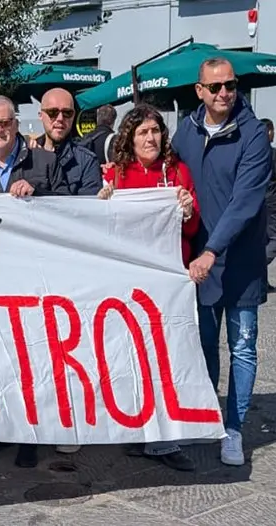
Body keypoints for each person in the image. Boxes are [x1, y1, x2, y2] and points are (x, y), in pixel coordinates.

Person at [173, 57, 272, 467]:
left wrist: (212, 250)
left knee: (244, 348)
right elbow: (166, 176)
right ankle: (210, 417)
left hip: (239, 262)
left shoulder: (253, 135)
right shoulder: (186, 132)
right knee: (205, 346)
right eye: (214, 87)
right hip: (202, 264)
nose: (224, 93)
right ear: (199, 91)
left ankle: (233, 430)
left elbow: (245, 201)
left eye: (230, 85)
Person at [0, 95, 66, 468]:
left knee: (31, 358)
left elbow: (67, 212)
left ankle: (30, 435)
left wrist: (39, 195)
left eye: (5, 122)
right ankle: (0, 429)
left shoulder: (45, 163)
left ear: (16, 123)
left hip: (32, 278)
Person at [97, 104, 199, 472]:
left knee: (167, 357)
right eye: (143, 132)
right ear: (130, 137)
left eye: (155, 131)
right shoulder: (117, 175)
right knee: (132, 356)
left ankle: (165, 439)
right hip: (129, 282)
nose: (151, 138)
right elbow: (104, 232)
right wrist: (103, 203)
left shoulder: (177, 173)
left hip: (168, 280)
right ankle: (137, 431)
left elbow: (190, 231)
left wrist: (187, 209)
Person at [0, 95, 67, 199]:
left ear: (16, 125)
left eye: (5, 123)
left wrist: (36, 192)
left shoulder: (46, 161)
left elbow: (67, 205)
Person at [34, 88, 102, 196]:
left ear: (73, 116)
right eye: (53, 112)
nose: (60, 118)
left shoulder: (86, 161)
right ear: (41, 115)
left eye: (67, 113)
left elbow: (89, 208)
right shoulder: (26, 156)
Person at [261, 118, 276, 292]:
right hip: (271, 203)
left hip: (257, 203)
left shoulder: (251, 154)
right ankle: (254, 266)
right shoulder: (272, 154)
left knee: (263, 240)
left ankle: (262, 282)